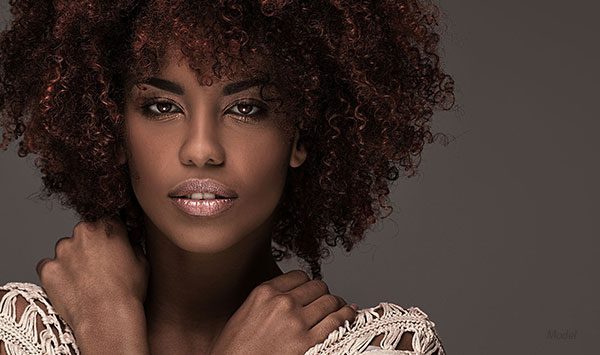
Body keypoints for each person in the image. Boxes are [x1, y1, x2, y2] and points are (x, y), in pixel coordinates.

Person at [0, 0, 454, 354]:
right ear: (112, 128)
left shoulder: (382, 348)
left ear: (300, 136)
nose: (201, 150)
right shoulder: (21, 335)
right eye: (162, 107)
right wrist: (107, 321)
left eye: (246, 108)